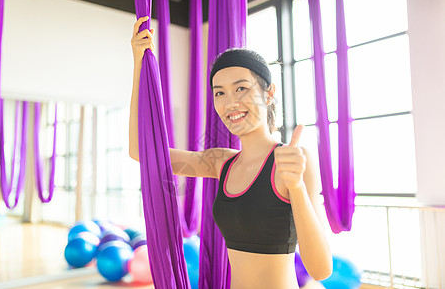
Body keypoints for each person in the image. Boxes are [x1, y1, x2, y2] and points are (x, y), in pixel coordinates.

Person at [129, 17, 332, 289]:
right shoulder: (220, 162)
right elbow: (141, 151)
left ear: (268, 93)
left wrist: (295, 187)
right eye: (219, 93)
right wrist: (140, 65)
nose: (230, 103)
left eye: (241, 88)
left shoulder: (295, 158)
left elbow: (320, 270)